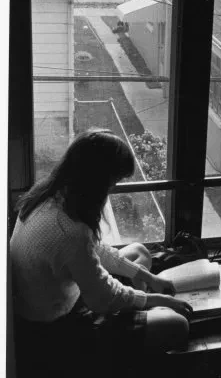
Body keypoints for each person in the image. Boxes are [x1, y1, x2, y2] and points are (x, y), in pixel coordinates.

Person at [10, 129, 193, 358]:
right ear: (96, 181)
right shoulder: (70, 232)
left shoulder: (49, 197)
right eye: (112, 183)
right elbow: (102, 298)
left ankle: (140, 311)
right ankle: (140, 321)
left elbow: (93, 250)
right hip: (60, 323)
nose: (112, 190)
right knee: (177, 325)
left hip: (58, 297)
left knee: (138, 252)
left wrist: (148, 277)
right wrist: (154, 299)